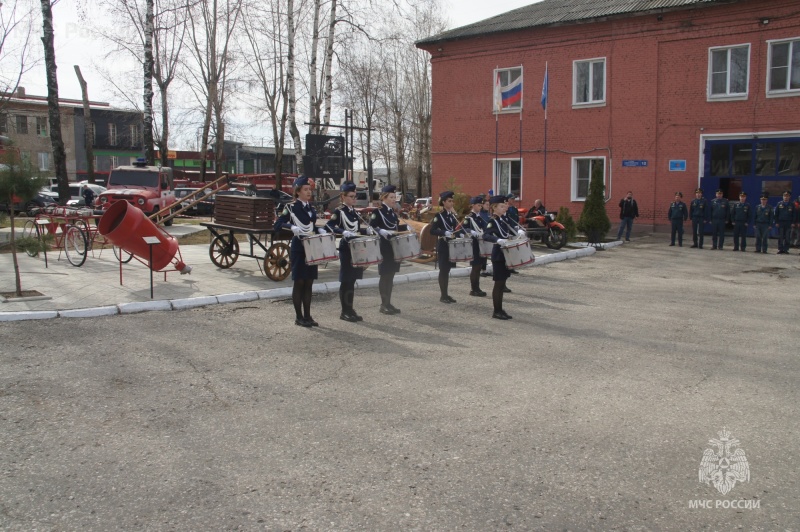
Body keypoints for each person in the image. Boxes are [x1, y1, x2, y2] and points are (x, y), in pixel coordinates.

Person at [275, 176, 328, 327]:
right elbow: (278, 224)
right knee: (299, 282)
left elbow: (311, 226)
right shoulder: (291, 208)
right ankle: (299, 317)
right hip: (299, 247)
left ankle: (308, 316)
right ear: (297, 192)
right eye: (305, 189)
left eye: (310, 189)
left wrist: (320, 230)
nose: (309, 192)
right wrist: (291, 227)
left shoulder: (311, 208)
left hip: (311, 247)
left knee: (309, 282)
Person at [325, 181, 369, 322]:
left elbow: (356, 230)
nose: (354, 199)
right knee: (346, 280)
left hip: (356, 247)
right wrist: (342, 231)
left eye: (355, 196)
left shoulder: (354, 212)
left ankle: (350, 309)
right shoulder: (339, 211)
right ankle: (344, 311)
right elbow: (329, 226)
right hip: (346, 248)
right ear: (343, 197)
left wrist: (366, 230)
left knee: (353, 280)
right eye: (351, 196)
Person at [370, 185, 407, 314]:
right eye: (391, 197)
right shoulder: (378, 212)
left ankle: (388, 303)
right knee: (385, 275)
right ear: (384, 197)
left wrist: (408, 228)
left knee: (391, 276)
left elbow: (395, 229)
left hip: (394, 247)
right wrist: (381, 230)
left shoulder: (392, 212)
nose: (394, 200)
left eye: (394, 197)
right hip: (384, 247)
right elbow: (371, 227)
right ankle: (383, 304)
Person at [482, 195, 516, 320]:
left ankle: (500, 309)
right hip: (498, 255)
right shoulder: (493, 221)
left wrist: (518, 233)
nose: (504, 208)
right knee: (498, 284)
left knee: (502, 284)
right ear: (494, 207)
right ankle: (496, 311)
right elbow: (486, 235)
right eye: (501, 206)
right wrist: (498, 239)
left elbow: (509, 233)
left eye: (504, 206)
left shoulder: (503, 220)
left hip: (505, 254)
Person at [430, 191, 466, 303]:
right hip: (443, 246)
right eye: (449, 201)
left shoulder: (452, 216)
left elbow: (456, 229)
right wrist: (444, 233)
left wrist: (462, 233)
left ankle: (446, 294)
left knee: (448, 270)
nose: (451, 203)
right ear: (444, 202)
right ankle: (443, 295)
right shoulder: (439, 215)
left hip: (451, 245)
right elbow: (432, 230)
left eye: (452, 201)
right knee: (443, 270)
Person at [462, 196, 488, 297]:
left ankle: (477, 287)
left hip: (480, 244)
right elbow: (463, 229)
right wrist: (471, 231)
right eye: (478, 205)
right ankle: (474, 289)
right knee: (475, 267)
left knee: (479, 266)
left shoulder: (479, 217)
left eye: (481, 205)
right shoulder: (469, 217)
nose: (480, 207)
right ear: (473, 205)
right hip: (473, 245)